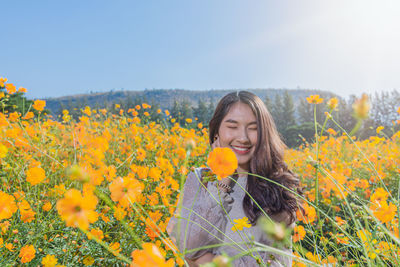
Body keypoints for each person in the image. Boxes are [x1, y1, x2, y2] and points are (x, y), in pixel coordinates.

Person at [167, 91, 303, 266]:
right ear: (216, 132)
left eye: (253, 128)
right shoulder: (199, 179)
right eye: (232, 127)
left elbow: (279, 262)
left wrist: (207, 259)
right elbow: (189, 248)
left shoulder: (277, 185)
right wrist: (223, 180)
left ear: (264, 135)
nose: (243, 138)